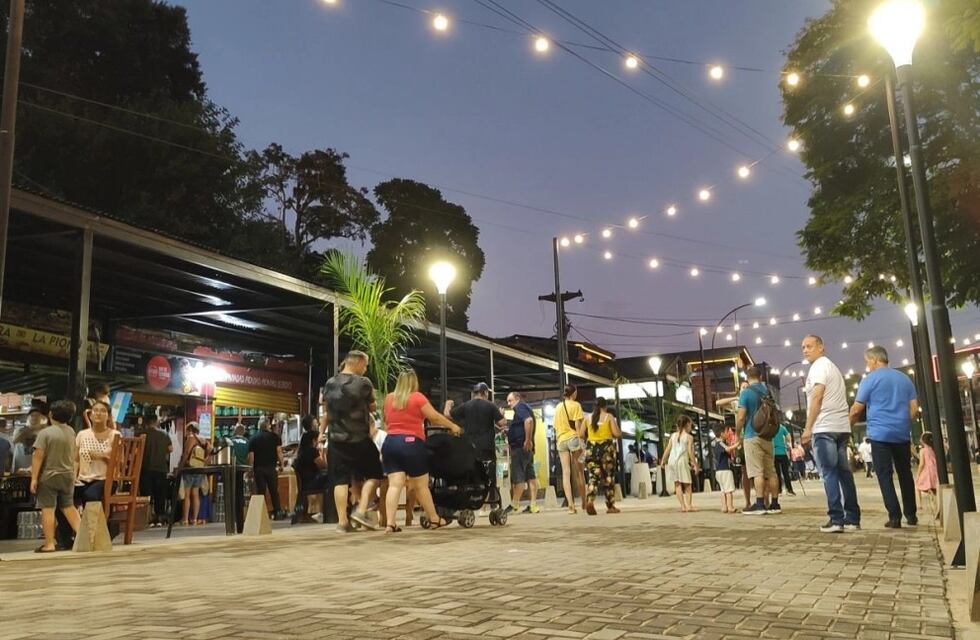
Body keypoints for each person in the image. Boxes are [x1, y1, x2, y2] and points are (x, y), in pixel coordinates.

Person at [381, 369, 462, 533]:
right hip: (411, 444)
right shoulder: (417, 397)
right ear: (414, 382)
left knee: (395, 485)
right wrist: (453, 426)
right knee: (421, 486)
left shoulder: (389, 398)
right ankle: (434, 519)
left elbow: (386, 420)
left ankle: (390, 523)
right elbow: (435, 417)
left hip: (390, 443)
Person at [849, 345, 918, 528]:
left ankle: (894, 516)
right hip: (902, 434)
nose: (867, 366)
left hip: (880, 435)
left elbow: (857, 408)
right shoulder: (905, 379)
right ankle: (911, 514)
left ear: (873, 359)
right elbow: (914, 409)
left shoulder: (870, 380)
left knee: (884, 475)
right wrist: (904, 421)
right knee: (905, 473)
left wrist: (847, 425)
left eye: (867, 362)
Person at [802, 334, 860, 533]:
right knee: (844, 473)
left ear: (821, 347)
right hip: (841, 427)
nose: (805, 350)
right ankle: (852, 518)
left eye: (809, 346)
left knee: (829, 473)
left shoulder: (818, 367)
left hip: (825, 426)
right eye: (803, 347)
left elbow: (817, 396)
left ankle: (836, 519)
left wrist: (808, 428)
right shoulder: (833, 367)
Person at [322, 351, 384, 533]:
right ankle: (362, 509)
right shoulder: (363, 383)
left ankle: (342, 522)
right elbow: (373, 406)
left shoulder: (330, 383)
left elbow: (327, 408)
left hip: (335, 439)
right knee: (375, 473)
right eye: (365, 366)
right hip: (358, 438)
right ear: (357, 363)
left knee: (340, 481)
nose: (365, 370)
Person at [29, 400, 82, 552]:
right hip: (68, 475)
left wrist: (33, 478)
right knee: (68, 507)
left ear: (51, 415)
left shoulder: (45, 433)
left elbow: (38, 456)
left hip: (49, 476)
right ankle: (83, 538)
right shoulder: (71, 431)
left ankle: (50, 544)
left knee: (48, 509)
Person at [447, 382, 508, 511]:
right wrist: (501, 413)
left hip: (469, 448)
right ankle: (493, 503)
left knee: (470, 474)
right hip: (486, 448)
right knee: (489, 476)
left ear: (473, 393)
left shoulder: (466, 406)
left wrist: (448, 405)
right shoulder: (490, 406)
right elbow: (502, 422)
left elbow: (448, 415)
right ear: (485, 393)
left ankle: (467, 501)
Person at [736, 367, 781, 515]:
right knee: (771, 471)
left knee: (757, 472)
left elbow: (741, 417)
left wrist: (737, 433)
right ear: (760, 377)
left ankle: (760, 503)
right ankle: (775, 504)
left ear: (747, 378)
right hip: (768, 435)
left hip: (752, 435)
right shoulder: (768, 391)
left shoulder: (746, 393)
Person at [75, 400, 119, 507]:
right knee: (63, 495)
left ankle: (96, 523)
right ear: (90, 415)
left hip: (105, 479)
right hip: (83, 479)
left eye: (103, 411)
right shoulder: (82, 434)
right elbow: (75, 460)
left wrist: (102, 456)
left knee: (90, 495)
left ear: (108, 416)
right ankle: (69, 524)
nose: (98, 413)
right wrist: (73, 477)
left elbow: (119, 462)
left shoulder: (115, 435)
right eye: (95, 410)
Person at [503, 391, 540, 514]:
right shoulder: (525, 408)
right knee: (531, 476)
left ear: (517, 398)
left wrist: (527, 440)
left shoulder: (520, 407)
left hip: (520, 448)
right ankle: (533, 505)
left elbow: (528, 421)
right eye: (508, 401)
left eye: (510, 400)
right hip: (527, 449)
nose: (509, 404)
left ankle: (514, 504)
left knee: (518, 477)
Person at [584, 397, 622, 515]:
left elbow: (580, 433)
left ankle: (590, 500)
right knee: (608, 478)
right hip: (606, 450)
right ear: (605, 406)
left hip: (591, 450)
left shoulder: (588, 418)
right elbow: (616, 433)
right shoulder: (608, 417)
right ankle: (610, 506)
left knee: (593, 477)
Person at [552, 384, 586, 514]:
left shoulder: (558, 407)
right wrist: (581, 443)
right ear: (573, 393)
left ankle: (570, 505)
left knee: (566, 472)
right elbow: (578, 425)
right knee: (579, 472)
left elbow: (555, 426)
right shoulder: (576, 405)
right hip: (573, 438)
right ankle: (583, 501)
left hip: (561, 440)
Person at [136, 413, 173, 527]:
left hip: (146, 468)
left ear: (146, 422)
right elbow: (170, 449)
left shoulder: (141, 434)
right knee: (160, 494)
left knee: (146, 494)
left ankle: (146, 518)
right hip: (161, 468)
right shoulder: (165, 434)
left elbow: (136, 451)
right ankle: (160, 518)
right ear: (156, 421)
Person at [292, 415, 327, 524]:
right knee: (333, 478)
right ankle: (329, 512)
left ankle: (306, 514)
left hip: (304, 482)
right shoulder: (312, 451)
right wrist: (324, 453)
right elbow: (323, 465)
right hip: (311, 483)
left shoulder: (303, 450)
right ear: (313, 440)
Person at [248, 417, 286, 520]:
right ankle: (278, 513)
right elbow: (279, 452)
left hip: (259, 469)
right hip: (271, 468)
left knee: (261, 492)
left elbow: (251, 456)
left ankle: (262, 515)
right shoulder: (275, 437)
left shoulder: (253, 438)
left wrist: (250, 469)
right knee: (274, 491)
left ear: (259, 426)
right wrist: (282, 464)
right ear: (268, 425)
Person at [660, 415, 698, 512]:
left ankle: (682, 506)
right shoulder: (689, 437)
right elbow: (690, 452)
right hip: (682, 461)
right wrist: (695, 464)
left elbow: (668, 449)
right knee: (687, 484)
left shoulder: (673, 436)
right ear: (687, 425)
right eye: (690, 425)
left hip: (672, 461)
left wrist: (663, 460)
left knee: (677, 484)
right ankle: (689, 506)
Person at [179, 423, 211, 526]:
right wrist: (203, 463)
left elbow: (187, 452)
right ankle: (195, 519)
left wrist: (181, 466)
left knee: (187, 495)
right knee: (196, 494)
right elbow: (210, 451)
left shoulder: (191, 438)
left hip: (190, 469)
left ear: (189, 430)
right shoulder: (203, 439)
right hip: (199, 469)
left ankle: (185, 519)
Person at [13, 402, 48, 472]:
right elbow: (15, 441)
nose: (34, 417)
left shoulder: (45, 431)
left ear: (42, 417)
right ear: (28, 417)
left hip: (38, 467)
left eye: (37, 415)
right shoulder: (21, 430)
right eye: (32, 415)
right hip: (21, 467)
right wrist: (30, 429)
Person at [713, 427, 737, 513]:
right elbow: (728, 449)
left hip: (718, 471)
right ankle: (730, 507)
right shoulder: (720, 443)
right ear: (721, 433)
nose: (728, 434)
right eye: (727, 432)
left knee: (723, 490)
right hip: (725, 470)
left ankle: (724, 507)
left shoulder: (715, 444)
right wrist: (737, 444)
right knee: (729, 490)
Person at [915, 431, 939, 517]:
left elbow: (921, 464)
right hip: (935, 471)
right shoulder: (933, 449)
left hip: (927, 471)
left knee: (918, 485)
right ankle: (936, 507)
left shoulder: (923, 450)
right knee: (933, 489)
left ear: (923, 440)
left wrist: (918, 474)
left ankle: (920, 505)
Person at [774, 423, 795, 496]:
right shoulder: (782, 427)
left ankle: (779, 490)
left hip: (773, 452)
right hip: (782, 452)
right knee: (786, 472)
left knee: (777, 473)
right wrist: (786, 444)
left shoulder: (770, 427)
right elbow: (788, 438)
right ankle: (789, 489)